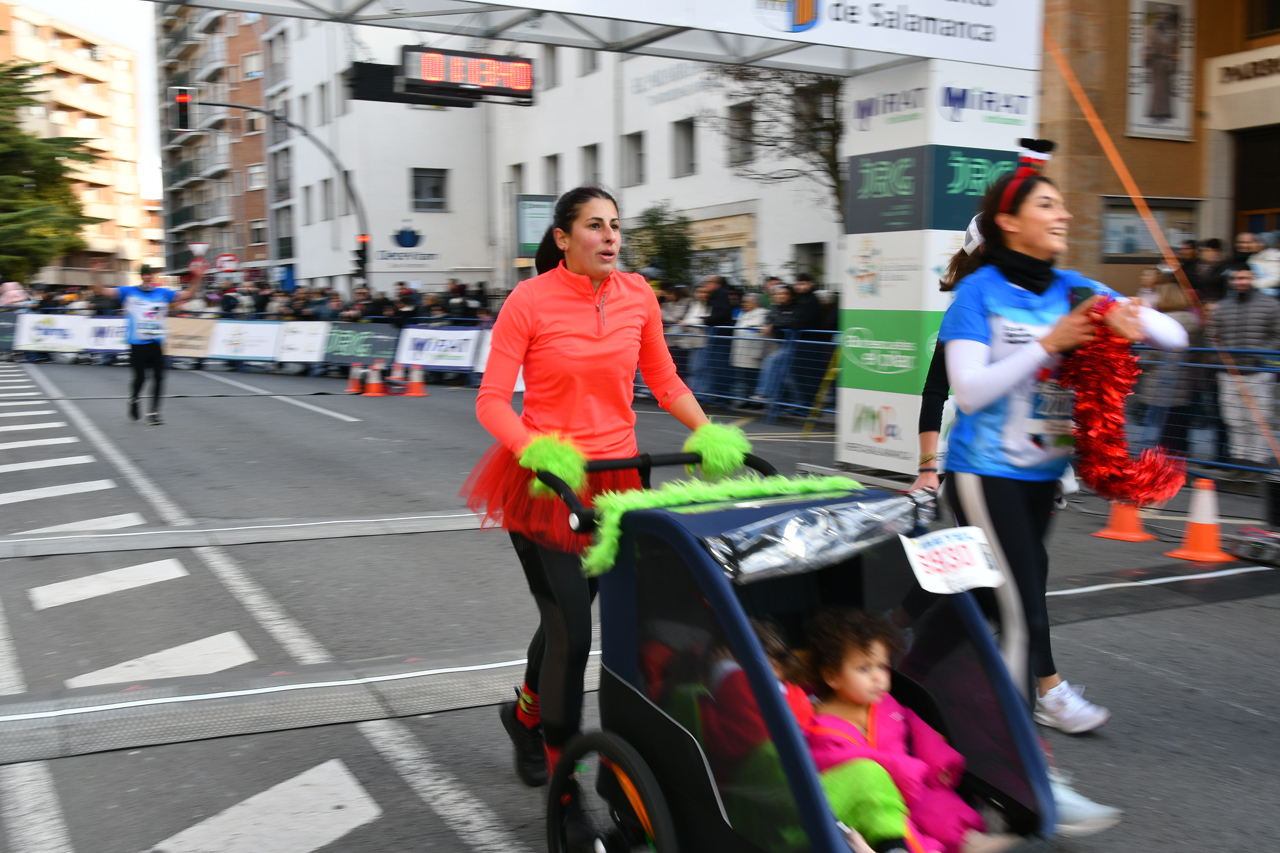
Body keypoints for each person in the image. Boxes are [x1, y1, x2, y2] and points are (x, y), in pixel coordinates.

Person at [462, 186, 735, 791]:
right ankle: (565, 778)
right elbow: (491, 400)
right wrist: (538, 451)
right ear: (563, 238)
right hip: (548, 483)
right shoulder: (529, 300)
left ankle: (525, 717)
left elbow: (664, 379)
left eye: (615, 224)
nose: (611, 236)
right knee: (574, 630)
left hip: (619, 480)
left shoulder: (638, 294)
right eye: (595, 225)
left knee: (571, 618)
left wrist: (708, 431)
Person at [936, 148, 1187, 735]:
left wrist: (1130, 318)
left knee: (1000, 593)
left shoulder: (1075, 289)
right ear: (1009, 221)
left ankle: (905, 653)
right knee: (1021, 611)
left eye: (1062, 205)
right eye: (1047, 205)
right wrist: (1049, 344)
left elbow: (1173, 335)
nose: (1064, 215)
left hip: (1044, 472)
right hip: (984, 472)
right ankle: (1016, 753)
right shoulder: (979, 293)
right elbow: (968, 392)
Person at [807, 609, 1018, 853]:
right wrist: (898, 768)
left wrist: (939, 758)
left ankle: (969, 840)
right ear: (832, 676)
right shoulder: (820, 725)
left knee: (937, 801)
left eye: (882, 667)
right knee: (894, 821)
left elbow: (914, 727)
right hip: (875, 797)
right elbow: (839, 762)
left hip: (912, 780)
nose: (878, 678)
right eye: (864, 669)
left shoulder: (884, 704)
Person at [89, 262, 202, 425]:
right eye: (145, 274)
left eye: (150, 274)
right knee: (140, 378)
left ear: (152, 276)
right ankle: (134, 399)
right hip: (137, 344)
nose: (147, 277)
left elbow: (188, 295)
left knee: (159, 377)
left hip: (155, 343)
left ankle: (154, 413)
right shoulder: (128, 292)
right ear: (141, 276)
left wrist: (198, 278)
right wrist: (96, 274)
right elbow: (102, 291)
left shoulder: (163, 293)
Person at [1205, 266, 1280, 476]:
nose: (1240, 282)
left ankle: (1257, 463)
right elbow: (1211, 335)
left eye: (1244, 278)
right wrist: (1218, 357)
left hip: (1258, 372)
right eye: (1236, 278)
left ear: (1252, 278)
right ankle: (1239, 462)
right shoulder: (1223, 306)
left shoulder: (1270, 304)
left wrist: (1260, 354)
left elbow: (1277, 334)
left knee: (1258, 419)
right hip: (1228, 373)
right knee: (1233, 419)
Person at [1137, 281, 1203, 455]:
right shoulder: (1192, 319)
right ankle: (1178, 457)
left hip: (1160, 378)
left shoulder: (1162, 321)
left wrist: (1141, 361)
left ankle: (1163, 460)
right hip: (1184, 377)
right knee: (1178, 425)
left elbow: (1150, 353)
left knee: (1162, 425)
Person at [730, 292, 771, 400]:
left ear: (756, 303)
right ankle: (745, 398)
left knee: (752, 378)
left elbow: (756, 329)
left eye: (747, 302)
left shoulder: (762, 314)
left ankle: (753, 401)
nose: (743, 304)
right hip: (741, 352)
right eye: (743, 302)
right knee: (743, 379)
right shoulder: (743, 314)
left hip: (752, 353)